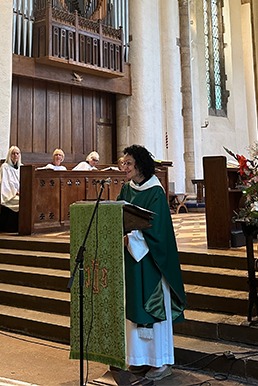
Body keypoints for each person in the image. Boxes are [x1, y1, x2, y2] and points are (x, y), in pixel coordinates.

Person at [117, 145, 186, 380]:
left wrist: (131, 239)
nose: (124, 167)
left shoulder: (155, 191)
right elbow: (118, 214)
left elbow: (157, 229)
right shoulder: (127, 188)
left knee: (152, 308)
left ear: (140, 166)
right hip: (131, 260)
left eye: (128, 163)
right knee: (133, 306)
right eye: (123, 163)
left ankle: (160, 362)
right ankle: (138, 359)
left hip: (151, 261)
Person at [0, 146, 21, 232]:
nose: (15, 155)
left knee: (28, 201)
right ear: (9, 155)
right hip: (9, 196)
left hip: (18, 194)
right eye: (13, 153)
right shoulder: (5, 167)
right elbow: (4, 184)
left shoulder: (21, 167)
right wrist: (15, 192)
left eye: (17, 153)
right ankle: (13, 227)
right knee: (22, 202)